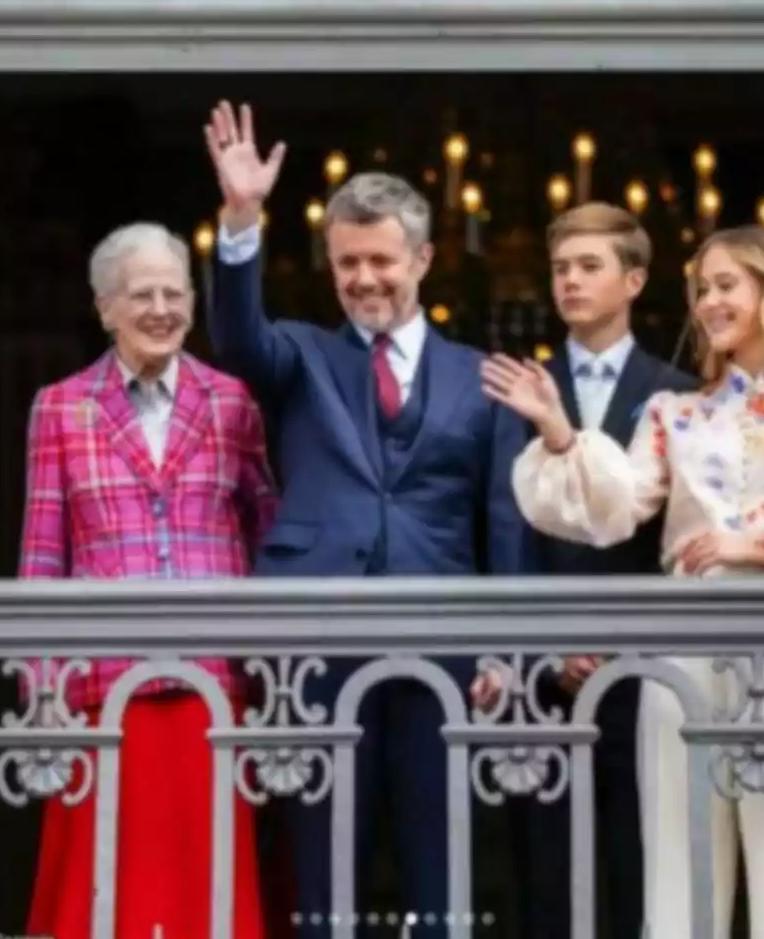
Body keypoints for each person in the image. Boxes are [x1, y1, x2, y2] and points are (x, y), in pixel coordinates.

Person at [483, 224, 764, 939]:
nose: (708, 303)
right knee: (679, 874)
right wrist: (559, 433)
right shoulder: (677, 414)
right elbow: (609, 511)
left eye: (727, 285)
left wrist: (763, 544)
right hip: (686, 656)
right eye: (701, 289)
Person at [203, 100, 531, 933]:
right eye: (347, 262)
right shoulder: (301, 353)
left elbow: (504, 522)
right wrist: (240, 218)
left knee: (439, 862)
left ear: (422, 258)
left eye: (381, 260)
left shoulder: (481, 376)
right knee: (323, 866)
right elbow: (236, 337)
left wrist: (504, 642)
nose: (364, 279)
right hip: (316, 637)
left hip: (442, 642)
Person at [18, 222, 275, 939]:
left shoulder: (232, 402)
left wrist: (274, 670)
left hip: (214, 682)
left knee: (209, 883)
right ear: (105, 308)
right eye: (141, 295)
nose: (161, 310)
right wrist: (42, 684)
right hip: (102, 688)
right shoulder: (61, 406)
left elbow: (266, 534)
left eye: (174, 292)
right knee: (106, 887)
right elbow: (42, 556)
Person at [515, 201, 694, 939]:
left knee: (642, 864)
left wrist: (633, 643)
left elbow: (679, 531)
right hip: (541, 670)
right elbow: (502, 525)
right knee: (546, 874)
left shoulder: (678, 390)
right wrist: (548, 644)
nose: (570, 281)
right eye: (561, 268)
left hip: (646, 664)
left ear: (635, 280)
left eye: (590, 266)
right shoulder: (518, 385)